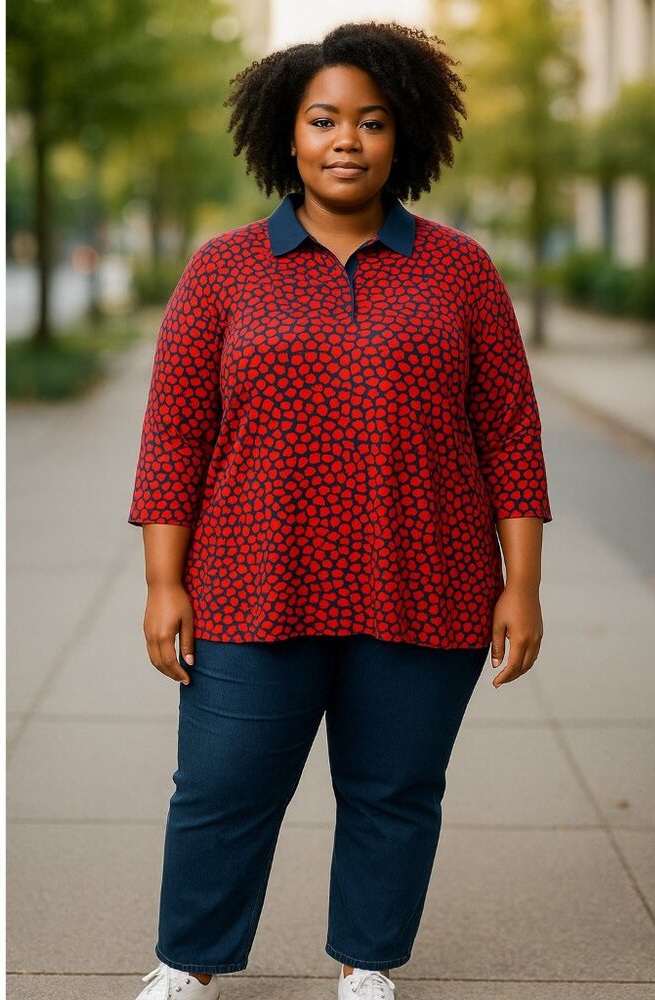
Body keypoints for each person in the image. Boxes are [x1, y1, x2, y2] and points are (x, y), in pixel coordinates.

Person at [127, 20, 553, 1000]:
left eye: (370, 121)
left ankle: (367, 961)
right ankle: (188, 960)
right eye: (324, 120)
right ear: (289, 135)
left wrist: (520, 583)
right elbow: (173, 438)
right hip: (248, 580)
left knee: (394, 792)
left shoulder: (461, 272)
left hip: (427, 581)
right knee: (222, 788)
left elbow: (510, 437)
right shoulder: (222, 271)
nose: (346, 140)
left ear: (405, 137)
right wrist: (162, 583)